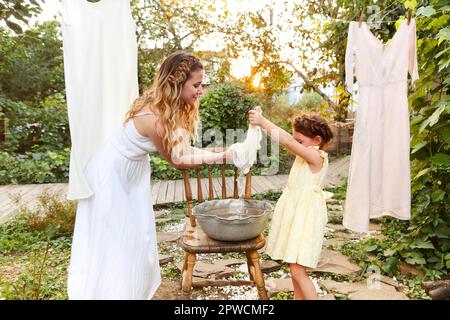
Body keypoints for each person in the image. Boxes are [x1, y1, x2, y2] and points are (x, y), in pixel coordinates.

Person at [67, 51, 232, 300]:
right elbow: (178, 160)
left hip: (130, 173)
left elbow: (184, 150)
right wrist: (219, 157)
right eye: (196, 85)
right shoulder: (155, 119)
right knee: (117, 240)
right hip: (111, 176)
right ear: (177, 83)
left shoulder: (166, 107)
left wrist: (221, 151)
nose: (201, 91)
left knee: (137, 237)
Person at [248, 108, 333, 300]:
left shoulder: (316, 157)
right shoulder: (306, 154)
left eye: (300, 141)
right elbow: (287, 139)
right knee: (294, 269)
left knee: (297, 271)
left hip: (306, 219)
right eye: (296, 140)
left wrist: (263, 122)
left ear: (317, 141)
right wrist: (262, 125)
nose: (296, 144)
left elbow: (286, 140)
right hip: (297, 216)